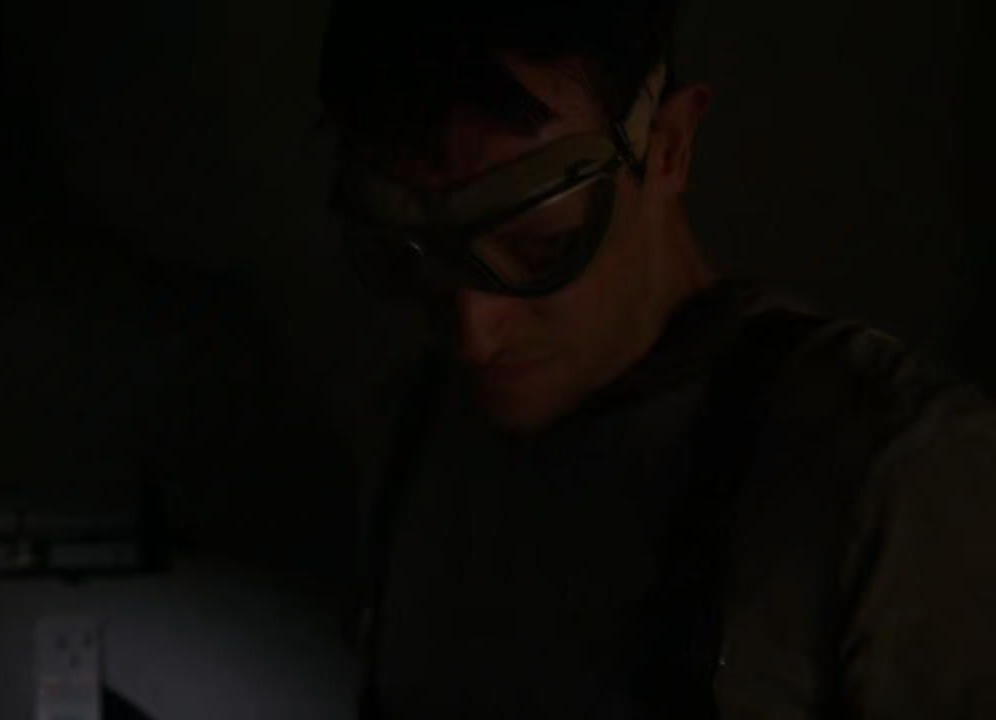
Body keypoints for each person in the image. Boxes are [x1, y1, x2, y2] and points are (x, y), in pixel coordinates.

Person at [316, 0, 996, 718]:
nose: (475, 332)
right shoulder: (414, 433)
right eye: (414, 252)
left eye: (542, 244)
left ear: (668, 146)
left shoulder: (893, 475)